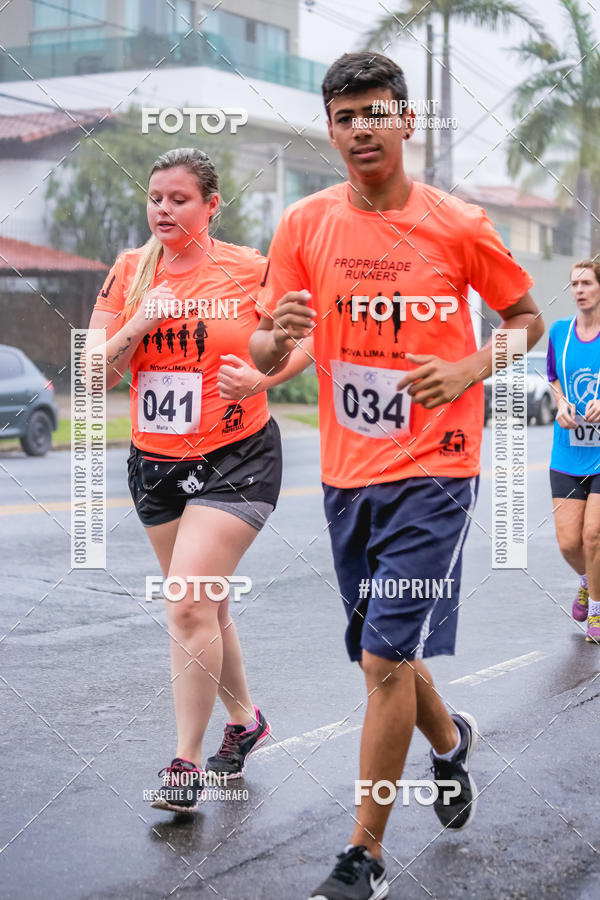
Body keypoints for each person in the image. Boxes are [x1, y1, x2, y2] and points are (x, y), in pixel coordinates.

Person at [250, 52, 544, 900]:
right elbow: (267, 345)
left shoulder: (457, 223)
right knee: (389, 655)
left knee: (383, 657)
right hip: (349, 474)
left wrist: (469, 370)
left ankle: (364, 856)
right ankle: (450, 747)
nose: (360, 129)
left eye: (376, 112)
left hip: (437, 470)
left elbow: (526, 319)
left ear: (407, 122)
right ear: (332, 129)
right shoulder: (305, 224)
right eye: (344, 117)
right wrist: (276, 336)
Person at [86, 147, 313, 812]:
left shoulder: (247, 268)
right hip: (154, 461)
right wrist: (139, 319)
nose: (163, 208)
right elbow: (92, 373)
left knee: (187, 604)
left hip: (236, 456)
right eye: (155, 197)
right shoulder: (129, 271)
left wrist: (263, 376)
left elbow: (302, 340)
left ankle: (185, 760)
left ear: (211, 205)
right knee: (205, 607)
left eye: (178, 198)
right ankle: (247, 722)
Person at [547, 259, 600, 644]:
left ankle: (596, 609)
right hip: (567, 451)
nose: (579, 289)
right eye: (574, 284)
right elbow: (552, 377)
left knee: (594, 535)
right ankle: (587, 579)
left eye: (586, 282)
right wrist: (561, 403)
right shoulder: (560, 332)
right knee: (569, 542)